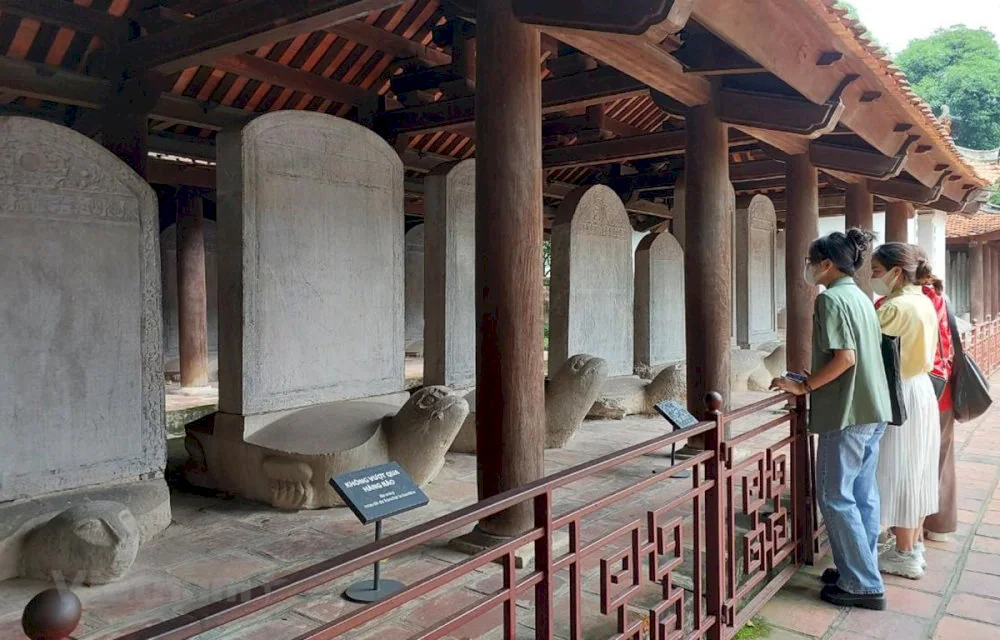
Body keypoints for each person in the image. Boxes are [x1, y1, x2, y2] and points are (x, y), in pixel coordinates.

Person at [772, 228, 891, 610]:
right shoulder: (859, 295)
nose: (809, 269)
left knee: (836, 496)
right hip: (873, 408)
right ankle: (858, 568)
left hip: (847, 412)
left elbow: (845, 358)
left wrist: (804, 389)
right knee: (862, 495)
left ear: (826, 264)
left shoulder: (830, 300)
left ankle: (862, 583)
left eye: (811, 262)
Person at [870, 243, 941, 580]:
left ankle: (904, 553)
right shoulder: (923, 300)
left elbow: (866, 353)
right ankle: (914, 545)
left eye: (876, 271)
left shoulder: (895, 308)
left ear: (896, 272)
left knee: (900, 470)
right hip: (920, 389)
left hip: (901, 392)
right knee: (918, 468)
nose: (872, 277)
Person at [915, 248, 957, 543]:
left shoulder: (908, 303)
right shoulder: (939, 297)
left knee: (915, 461)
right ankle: (940, 525)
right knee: (941, 459)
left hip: (922, 390)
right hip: (943, 387)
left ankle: (908, 531)